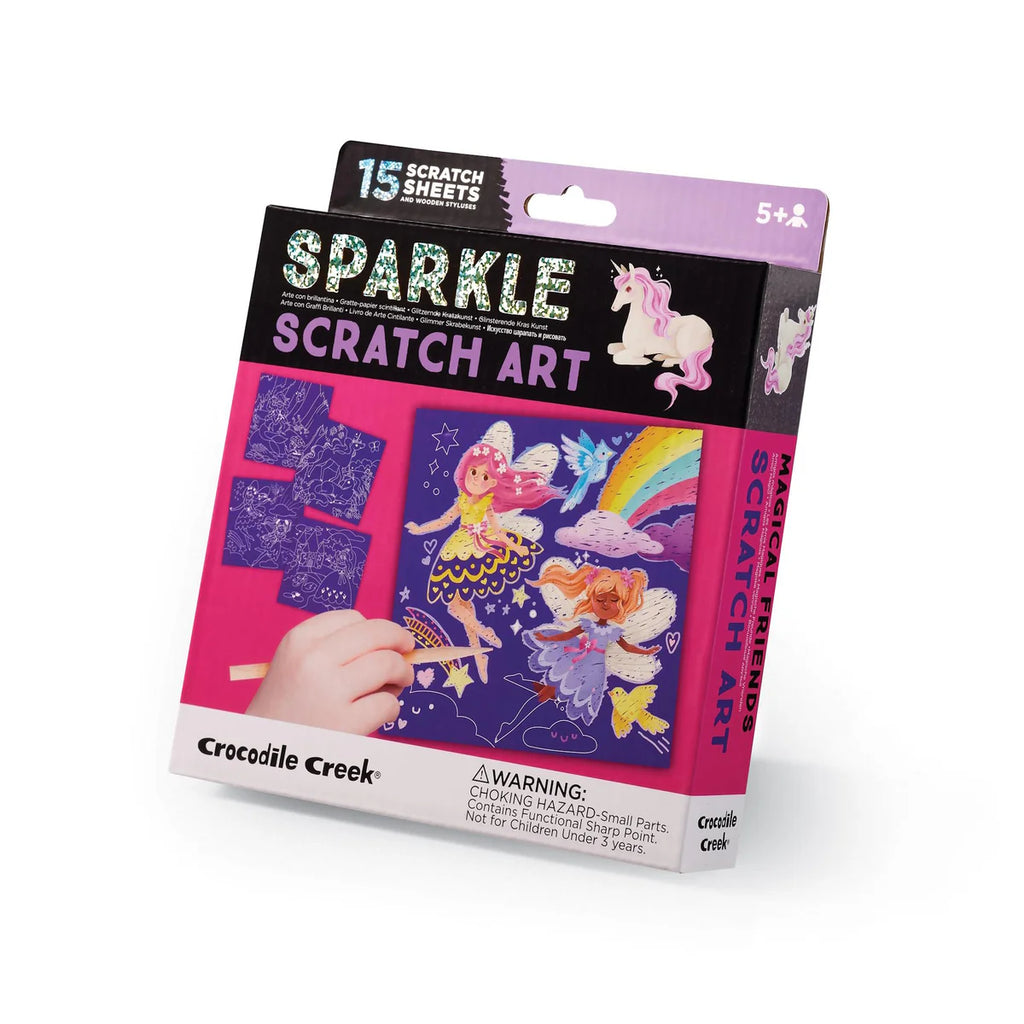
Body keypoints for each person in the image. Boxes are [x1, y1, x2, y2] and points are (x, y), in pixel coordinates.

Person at [523, 565, 660, 726]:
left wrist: (646, 652)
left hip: (596, 665)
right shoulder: (588, 624)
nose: (606, 604)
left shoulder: (612, 631)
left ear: (622, 604)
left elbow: (627, 647)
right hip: (581, 653)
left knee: (580, 683)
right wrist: (547, 638)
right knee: (567, 672)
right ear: (592, 600)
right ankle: (548, 692)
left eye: (614, 600)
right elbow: (568, 635)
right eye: (600, 599)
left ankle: (552, 696)